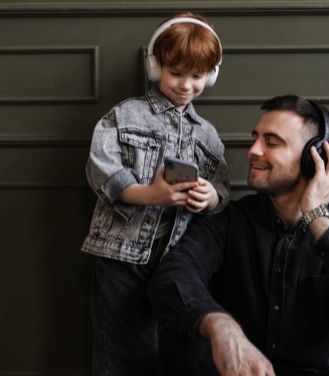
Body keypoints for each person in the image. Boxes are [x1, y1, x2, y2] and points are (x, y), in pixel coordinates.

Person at [148, 95, 329, 375]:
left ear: (312, 157)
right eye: (255, 138)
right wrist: (221, 326)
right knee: (182, 337)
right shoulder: (228, 221)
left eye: (271, 142)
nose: (253, 150)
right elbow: (172, 276)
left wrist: (317, 219)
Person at [80, 12, 230, 376]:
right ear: (155, 66)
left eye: (196, 77)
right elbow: (101, 171)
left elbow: (223, 187)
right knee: (123, 351)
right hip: (121, 256)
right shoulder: (125, 116)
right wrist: (152, 194)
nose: (185, 85)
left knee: (171, 351)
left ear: (210, 76)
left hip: (176, 259)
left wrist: (209, 198)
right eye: (176, 73)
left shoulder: (207, 134)